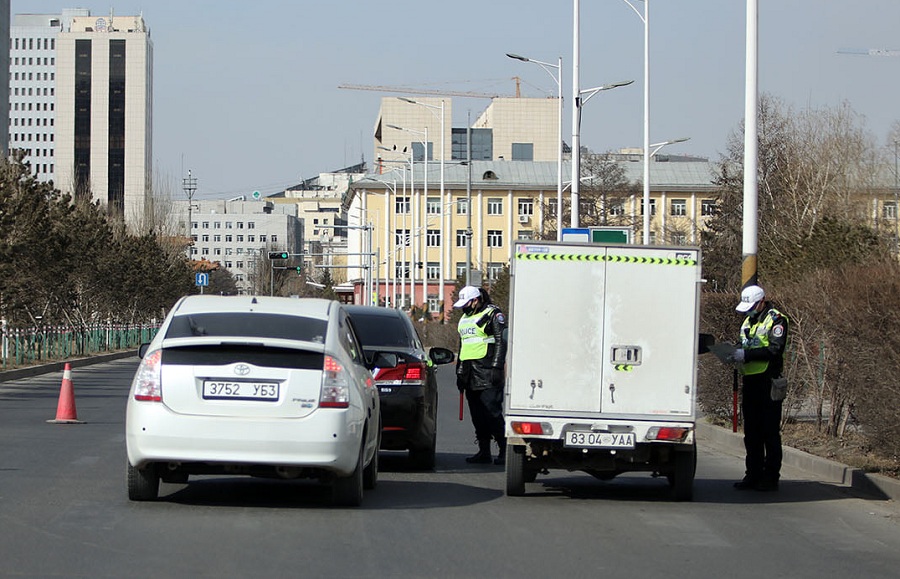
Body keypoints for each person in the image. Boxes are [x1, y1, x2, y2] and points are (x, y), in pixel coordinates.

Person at [728, 284, 789, 492]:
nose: (750, 310)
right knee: (752, 432)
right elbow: (745, 343)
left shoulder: (777, 319)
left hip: (768, 381)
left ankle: (770, 477)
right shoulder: (748, 320)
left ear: (762, 301)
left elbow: (775, 349)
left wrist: (746, 355)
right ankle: (752, 474)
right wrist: (734, 351)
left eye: (752, 306)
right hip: (751, 382)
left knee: (769, 432)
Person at [454, 285, 507, 465]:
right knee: (477, 414)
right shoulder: (465, 318)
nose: (464, 307)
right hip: (469, 371)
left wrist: (497, 368)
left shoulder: (493, 314)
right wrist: (460, 371)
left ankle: (504, 448)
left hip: (487, 369)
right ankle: (484, 451)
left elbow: (501, 341)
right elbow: (463, 345)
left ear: (476, 300)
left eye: (466, 303)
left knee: (492, 412)